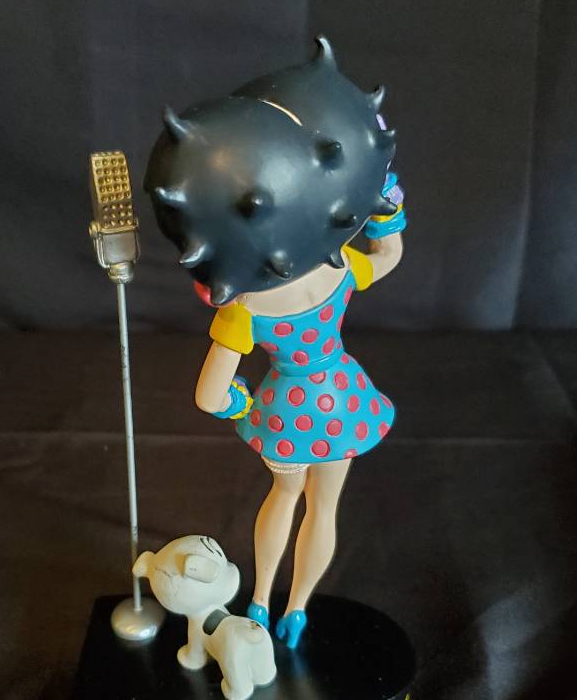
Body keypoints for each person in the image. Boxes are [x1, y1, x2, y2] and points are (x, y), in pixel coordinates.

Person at [145, 37, 406, 648]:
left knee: (283, 496)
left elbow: (210, 396)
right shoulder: (338, 272)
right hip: (340, 400)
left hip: (285, 410)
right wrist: (388, 203)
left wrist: (246, 404)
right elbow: (389, 254)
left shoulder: (245, 309)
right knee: (325, 508)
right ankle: (298, 608)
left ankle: (261, 598)